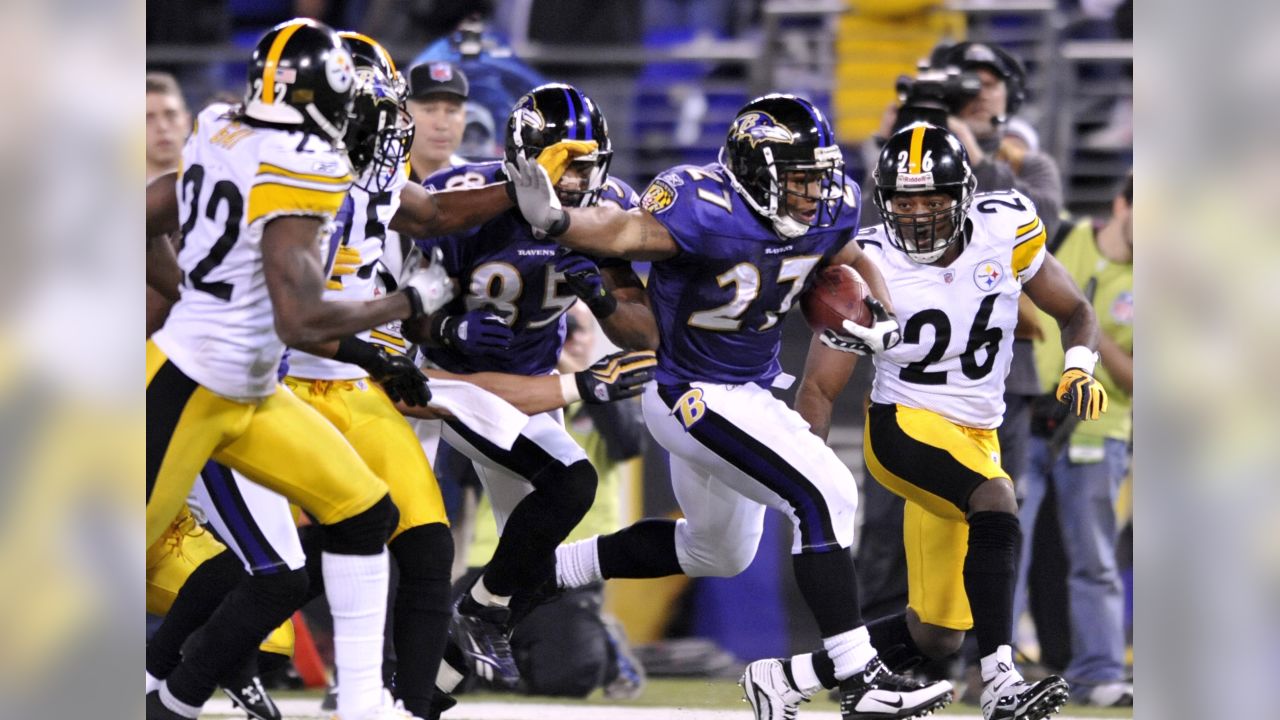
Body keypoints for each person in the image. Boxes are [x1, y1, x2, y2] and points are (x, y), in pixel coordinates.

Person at [508, 92, 956, 720]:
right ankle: (858, 676)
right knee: (828, 494)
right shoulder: (702, 203)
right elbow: (625, 231)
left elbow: (851, 259)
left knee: (717, 551)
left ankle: (537, 569)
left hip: (748, 387)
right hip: (689, 389)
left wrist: (880, 311)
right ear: (754, 172)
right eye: (797, 180)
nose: (812, 193)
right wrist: (556, 221)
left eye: (817, 176)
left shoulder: (833, 205)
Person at [143, 19, 457, 720]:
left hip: (251, 390)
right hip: (191, 383)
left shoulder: (221, 125)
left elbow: (140, 216)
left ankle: (363, 703)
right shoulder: (306, 164)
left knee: (364, 512)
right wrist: (411, 299)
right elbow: (301, 321)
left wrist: (189, 285)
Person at [792, 123, 1108, 720]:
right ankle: (1002, 681)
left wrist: (1079, 366)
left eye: (931, 199)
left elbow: (1076, 310)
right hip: (903, 425)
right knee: (995, 498)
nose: (915, 215)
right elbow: (818, 385)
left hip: (977, 435)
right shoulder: (865, 264)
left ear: (962, 194)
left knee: (936, 632)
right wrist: (802, 475)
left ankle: (788, 676)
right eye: (903, 201)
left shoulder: (1006, 225)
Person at [411, 82, 660, 690]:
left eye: (589, 164)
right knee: (563, 484)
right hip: (438, 384)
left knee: (527, 573)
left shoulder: (604, 206)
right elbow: (399, 310)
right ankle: (468, 615)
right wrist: (444, 321)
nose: (579, 179)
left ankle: (427, 689)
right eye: (565, 162)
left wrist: (600, 291)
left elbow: (641, 331)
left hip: (524, 390)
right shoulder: (463, 198)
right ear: (524, 156)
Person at [456, 304, 649, 699]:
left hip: (566, 559)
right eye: (563, 327)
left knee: (565, 677)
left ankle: (592, 643)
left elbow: (629, 444)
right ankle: (511, 654)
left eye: (577, 327)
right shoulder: (502, 387)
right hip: (490, 557)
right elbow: (464, 479)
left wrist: (581, 381)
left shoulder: (600, 387)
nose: (573, 336)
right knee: (425, 657)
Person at [1013, 173, 1133, 707]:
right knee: (1005, 544)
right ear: (1120, 202)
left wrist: (1088, 331)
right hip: (1024, 415)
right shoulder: (1061, 237)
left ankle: (1101, 672)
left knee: (1095, 558)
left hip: (1096, 427)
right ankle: (994, 664)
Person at [403, 61, 471, 182]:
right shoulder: (380, 185)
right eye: (429, 110)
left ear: (464, 117)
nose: (442, 125)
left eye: (452, 111)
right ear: (402, 116)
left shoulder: (479, 185)